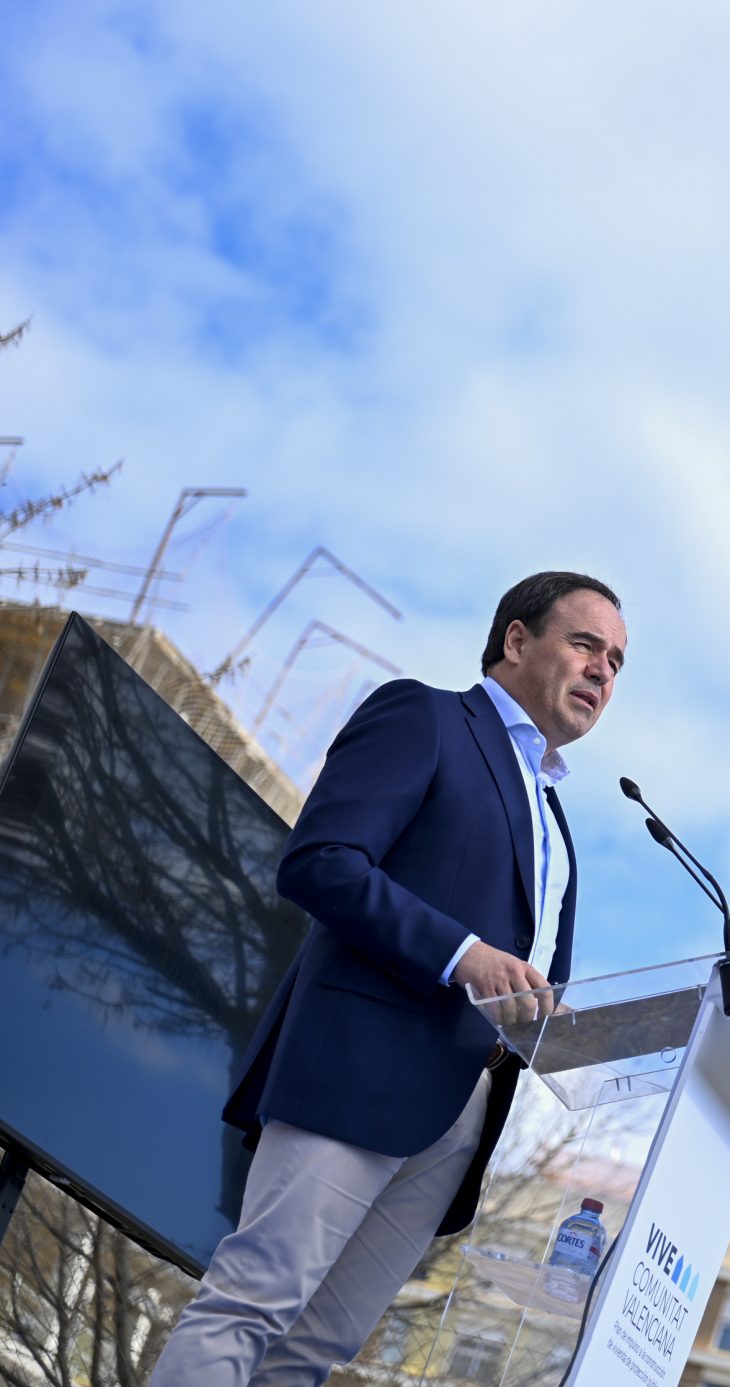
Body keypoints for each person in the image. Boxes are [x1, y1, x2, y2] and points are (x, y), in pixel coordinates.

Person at [149, 571, 628, 1386]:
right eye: (585, 644)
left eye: (615, 661)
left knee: (316, 1348)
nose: (601, 671)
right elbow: (321, 860)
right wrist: (463, 954)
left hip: (464, 1109)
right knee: (253, 1301)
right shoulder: (427, 718)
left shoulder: (557, 824)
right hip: (359, 1066)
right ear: (517, 640)